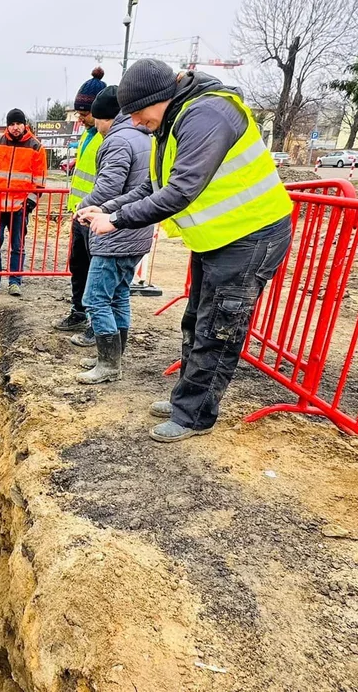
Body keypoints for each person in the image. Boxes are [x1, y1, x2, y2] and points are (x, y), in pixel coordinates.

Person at [77, 60, 293, 443]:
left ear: (159, 98)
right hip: (220, 239)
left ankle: (195, 415)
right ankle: (186, 401)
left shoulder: (206, 115)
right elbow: (153, 186)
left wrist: (118, 221)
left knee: (218, 329)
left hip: (251, 236)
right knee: (196, 321)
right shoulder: (174, 120)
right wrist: (109, 208)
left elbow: (180, 191)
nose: (140, 124)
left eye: (142, 115)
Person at [72, 86, 152, 384]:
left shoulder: (117, 141)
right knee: (119, 295)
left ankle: (108, 365)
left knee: (95, 298)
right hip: (137, 230)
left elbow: (108, 188)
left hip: (116, 234)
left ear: (105, 117)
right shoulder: (143, 136)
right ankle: (113, 357)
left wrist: (83, 208)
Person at [54, 68, 107, 340]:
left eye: (84, 113)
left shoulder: (107, 137)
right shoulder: (88, 135)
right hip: (80, 215)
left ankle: (95, 324)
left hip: (97, 218)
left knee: (97, 274)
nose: (79, 117)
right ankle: (78, 310)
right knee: (79, 267)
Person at [0, 108, 47, 296]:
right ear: (7, 126)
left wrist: (30, 203)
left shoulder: (36, 147)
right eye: (12, 124)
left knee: (17, 245)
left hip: (20, 206)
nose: (15, 128)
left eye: (18, 124)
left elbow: (39, 180)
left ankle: (15, 281)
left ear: (25, 124)